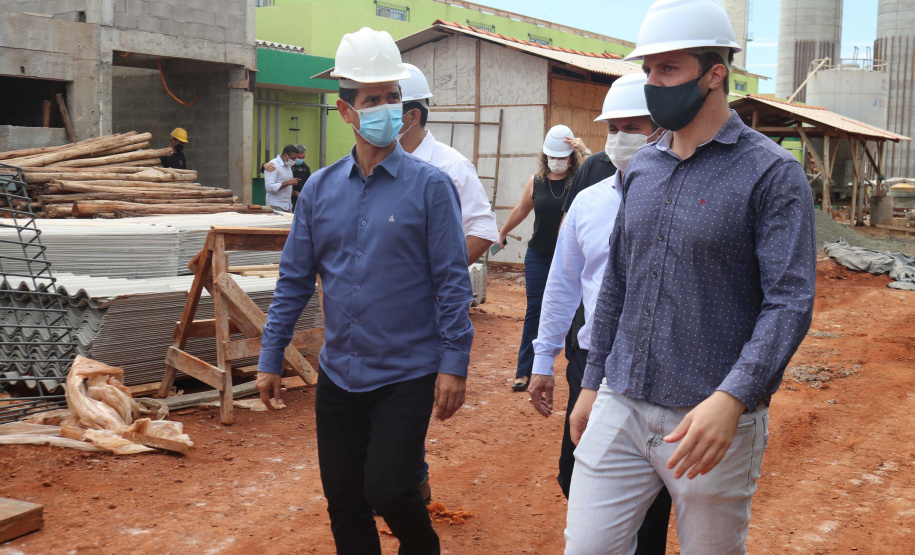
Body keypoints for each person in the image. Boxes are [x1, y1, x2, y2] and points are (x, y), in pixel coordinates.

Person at [564, 1, 817, 553]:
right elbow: (618, 284)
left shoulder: (772, 173)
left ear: (714, 73)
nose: (653, 82)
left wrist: (733, 398)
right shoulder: (642, 167)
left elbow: (790, 301)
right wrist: (591, 384)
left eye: (668, 69)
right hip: (622, 401)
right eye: (648, 69)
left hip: (711, 416)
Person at [256, 27, 473, 555]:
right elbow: (294, 279)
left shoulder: (431, 187)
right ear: (346, 110)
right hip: (339, 374)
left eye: (392, 97)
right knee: (344, 499)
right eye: (372, 100)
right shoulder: (319, 190)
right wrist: (269, 355)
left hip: (407, 372)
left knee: (390, 489)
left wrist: (454, 363)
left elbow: (451, 282)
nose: (386, 109)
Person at [528, 73, 672, 555]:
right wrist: (542, 360)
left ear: (660, 129)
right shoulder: (588, 204)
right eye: (613, 128)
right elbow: (562, 286)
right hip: (593, 364)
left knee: (649, 495)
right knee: (575, 474)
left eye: (633, 127)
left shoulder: (681, 204)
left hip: (658, 369)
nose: (619, 138)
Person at [499, 125, 582, 392]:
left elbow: (605, 172)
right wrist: (503, 231)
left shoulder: (580, 179)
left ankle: (576, 371)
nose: (556, 161)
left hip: (570, 258)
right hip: (539, 255)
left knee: (573, 312)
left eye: (562, 156)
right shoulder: (536, 181)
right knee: (535, 310)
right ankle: (524, 371)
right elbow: (521, 210)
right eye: (552, 156)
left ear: (571, 157)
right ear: (545, 156)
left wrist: (586, 150)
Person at [398, 63, 500, 264]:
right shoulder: (377, 164)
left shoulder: (451, 166)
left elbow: (484, 229)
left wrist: (440, 272)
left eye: (389, 109)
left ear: (413, 116)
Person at [265, 144, 312, 210]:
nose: (294, 161)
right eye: (293, 158)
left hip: (288, 205)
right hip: (276, 204)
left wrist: (295, 193)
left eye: (296, 158)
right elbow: (269, 187)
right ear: (285, 155)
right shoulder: (273, 165)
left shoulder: (288, 165)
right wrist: (288, 183)